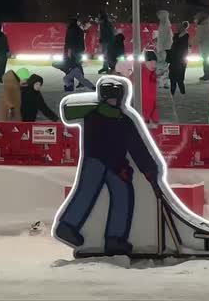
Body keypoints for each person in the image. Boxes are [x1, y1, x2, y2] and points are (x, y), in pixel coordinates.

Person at [55, 79, 160, 256]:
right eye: (111, 98)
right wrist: (125, 167)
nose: (114, 101)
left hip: (107, 163)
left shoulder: (113, 119)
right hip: (101, 162)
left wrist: (149, 170)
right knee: (94, 193)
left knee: (116, 194)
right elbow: (110, 146)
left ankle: (110, 237)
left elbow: (137, 148)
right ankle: (75, 228)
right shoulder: (112, 119)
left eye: (115, 98)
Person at [168, 21, 189, 96]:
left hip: (180, 59)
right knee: (174, 78)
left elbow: (181, 48)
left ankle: (181, 92)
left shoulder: (184, 36)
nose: (178, 28)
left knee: (178, 78)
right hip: (176, 59)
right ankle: (174, 92)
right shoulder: (177, 36)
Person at [195, 12, 209, 81]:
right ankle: (208, 75)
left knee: (205, 61)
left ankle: (208, 75)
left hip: (205, 47)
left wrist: (192, 43)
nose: (195, 20)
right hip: (208, 46)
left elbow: (199, 37)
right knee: (206, 61)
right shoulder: (207, 25)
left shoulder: (202, 27)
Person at [141, 49, 159, 126]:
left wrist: (155, 117)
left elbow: (153, 98)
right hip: (140, 117)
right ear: (144, 62)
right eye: (151, 62)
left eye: (155, 63)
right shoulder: (139, 75)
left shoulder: (153, 75)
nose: (153, 65)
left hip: (147, 117)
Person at [156, 9, 173, 88]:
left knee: (161, 65)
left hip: (164, 48)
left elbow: (163, 38)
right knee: (164, 66)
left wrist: (160, 48)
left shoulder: (164, 26)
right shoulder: (166, 25)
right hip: (166, 48)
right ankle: (165, 82)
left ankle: (162, 82)